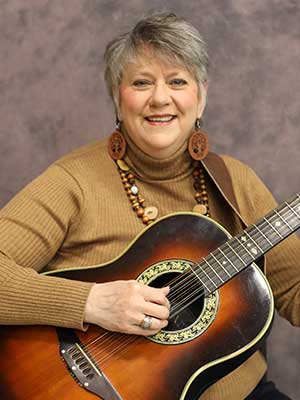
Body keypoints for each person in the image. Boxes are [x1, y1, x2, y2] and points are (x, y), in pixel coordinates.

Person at [0, 11, 299, 400]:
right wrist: (92, 302)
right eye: (142, 83)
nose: (160, 98)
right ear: (117, 98)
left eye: (177, 81)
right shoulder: (73, 181)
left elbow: (294, 288)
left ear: (201, 96)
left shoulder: (236, 181)